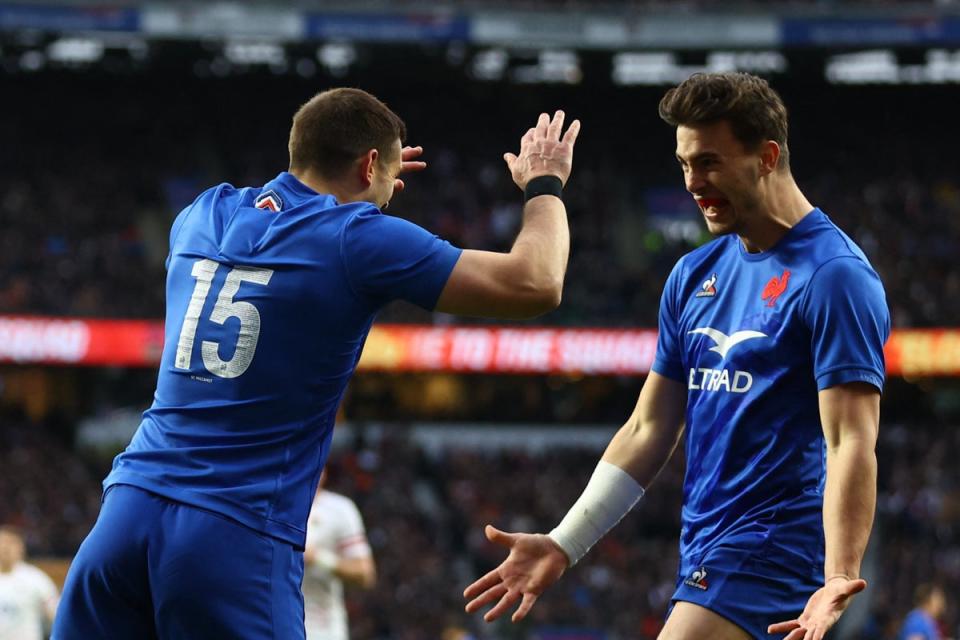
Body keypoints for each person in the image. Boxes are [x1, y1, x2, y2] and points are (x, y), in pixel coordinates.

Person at [52, 88, 580, 639]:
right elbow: (536, 282)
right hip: (232, 533)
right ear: (371, 164)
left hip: (124, 516)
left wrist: (361, 199)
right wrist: (544, 185)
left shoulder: (201, 212)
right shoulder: (360, 239)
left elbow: (288, 241)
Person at [464, 72, 889, 640]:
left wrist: (840, 573)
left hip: (774, 550)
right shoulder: (694, 276)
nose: (693, 182)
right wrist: (565, 543)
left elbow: (851, 440)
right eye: (685, 163)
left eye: (709, 162)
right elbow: (648, 427)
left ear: (766, 156)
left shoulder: (834, 278)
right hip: (703, 551)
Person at [302, 470, 375, 640]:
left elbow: (365, 573)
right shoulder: (272, 503)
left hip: (322, 627)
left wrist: (318, 559)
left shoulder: (339, 509)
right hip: (275, 621)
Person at [0, 525, 59, 640]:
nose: (5, 548)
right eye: (2, 542)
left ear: (21, 548)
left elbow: (57, 616)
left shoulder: (36, 579)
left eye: (11, 543)